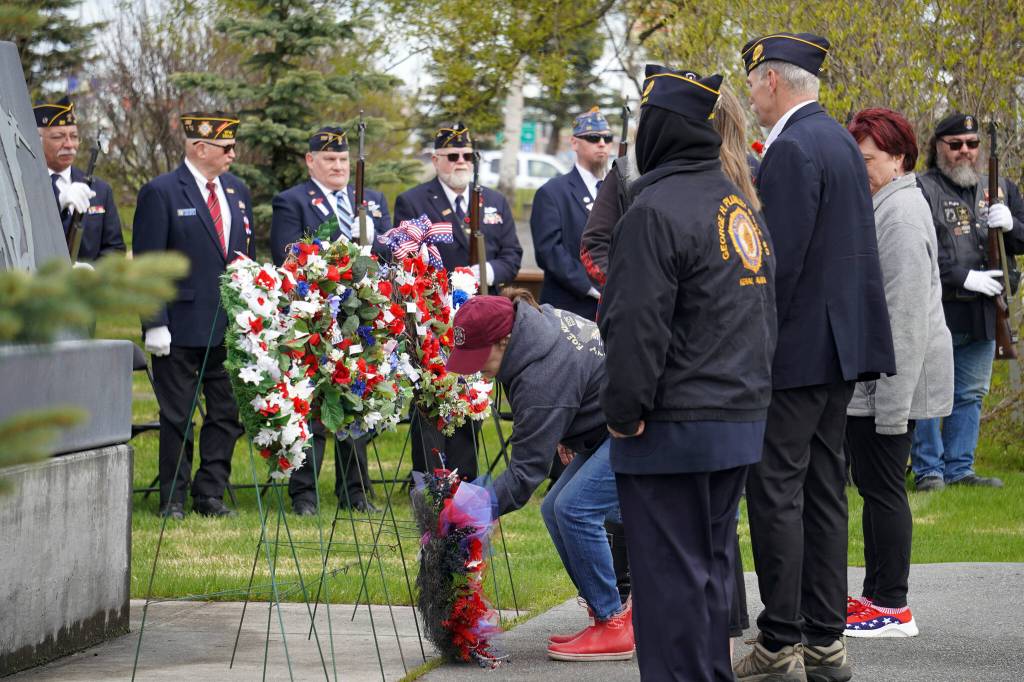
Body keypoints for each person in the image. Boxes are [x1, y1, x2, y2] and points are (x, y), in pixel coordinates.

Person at [599, 65, 777, 681]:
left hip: (671, 429)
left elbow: (633, 330)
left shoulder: (655, 211)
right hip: (732, 420)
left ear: (661, 129)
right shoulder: (736, 204)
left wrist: (622, 414)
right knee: (705, 582)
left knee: (672, 592)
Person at [734, 33, 896, 682]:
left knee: (776, 493)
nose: (749, 95)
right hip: (836, 351)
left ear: (773, 81)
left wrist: (748, 349)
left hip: (797, 354)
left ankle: (782, 639)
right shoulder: (833, 139)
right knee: (825, 491)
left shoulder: (795, 147)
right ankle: (826, 639)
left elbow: (779, 266)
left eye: (752, 83)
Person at [445, 291, 633, 661]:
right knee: (554, 509)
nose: (476, 369)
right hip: (607, 425)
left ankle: (613, 624)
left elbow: (526, 473)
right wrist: (568, 430)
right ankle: (608, 613)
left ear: (504, 340)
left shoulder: (539, 375)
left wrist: (479, 509)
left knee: (574, 510)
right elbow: (581, 378)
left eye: (480, 357)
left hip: (636, 425)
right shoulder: (534, 326)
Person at [844, 108, 954, 638]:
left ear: (899, 158)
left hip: (891, 387)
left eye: (867, 158)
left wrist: (888, 410)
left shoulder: (902, 216)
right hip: (880, 383)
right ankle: (877, 597)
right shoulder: (886, 204)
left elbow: (905, 321)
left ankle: (893, 605)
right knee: (876, 486)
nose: (860, 167)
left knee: (884, 488)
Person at [133, 111, 255, 519]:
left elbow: (243, 259)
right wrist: (154, 321)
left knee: (225, 415)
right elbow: (149, 263)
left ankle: (210, 495)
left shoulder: (236, 191)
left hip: (229, 326)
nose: (232, 154)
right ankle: (173, 498)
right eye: (226, 147)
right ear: (199, 147)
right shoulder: (162, 192)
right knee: (178, 418)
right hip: (180, 326)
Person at [270, 125, 392, 515]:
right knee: (311, 403)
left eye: (343, 159)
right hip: (316, 317)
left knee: (357, 397)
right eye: (329, 159)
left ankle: (355, 491)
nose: (338, 166)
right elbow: (288, 254)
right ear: (311, 162)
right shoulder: (292, 201)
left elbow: (387, 257)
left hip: (363, 317)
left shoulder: (370, 200)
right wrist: (339, 253)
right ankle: (304, 494)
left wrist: (377, 244)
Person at [392, 122, 522, 480]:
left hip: (481, 321)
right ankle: (429, 478)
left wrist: (483, 275)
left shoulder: (491, 201)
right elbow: (407, 259)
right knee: (433, 401)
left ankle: (465, 479)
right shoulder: (414, 201)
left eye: (467, 155)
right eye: (452, 156)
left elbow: (512, 254)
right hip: (436, 320)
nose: (460, 161)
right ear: (436, 159)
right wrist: (448, 284)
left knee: (472, 398)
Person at [910, 112, 1024, 491]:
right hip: (940, 308)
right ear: (938, 146)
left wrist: (1011, 225)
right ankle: (929, 470)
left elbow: (1021, 241)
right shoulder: (921, 189)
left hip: (984, 311)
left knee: (970, 393)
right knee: (928, 391)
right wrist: (964, 277)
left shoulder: (1002, 188)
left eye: (972, 144)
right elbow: (917, 251)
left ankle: (960, 469)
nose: (965, 152)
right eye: (955, 144)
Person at [530, 107, 611, 320]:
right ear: (574, 143)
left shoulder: (617, 191)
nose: (602, 143)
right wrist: (593, 287)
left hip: (612, 307)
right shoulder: (552, 192)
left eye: (607, 138)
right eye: (593, 138)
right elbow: (549, 252)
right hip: (568, 308)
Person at [34, 96, 125, 261]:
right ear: (37, 140)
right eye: (58, 137)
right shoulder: (23, 186)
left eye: (74, 136)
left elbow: (115, 249)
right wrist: (58, 202)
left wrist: (91, 273)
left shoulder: (100, 190)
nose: (69, 144)